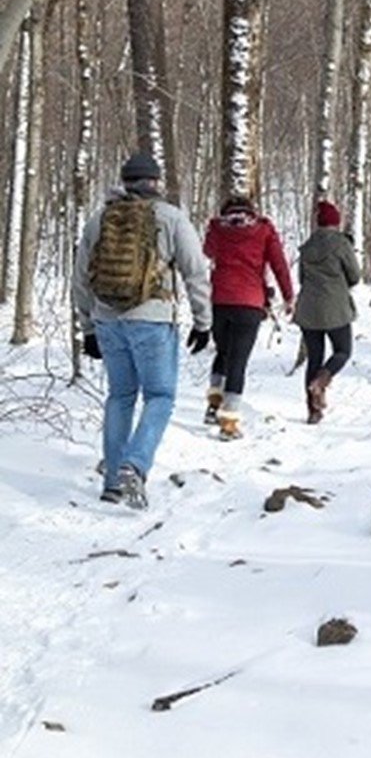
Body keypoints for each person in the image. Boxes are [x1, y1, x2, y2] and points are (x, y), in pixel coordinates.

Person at [73, 151, 212, 509]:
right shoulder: (170, 217)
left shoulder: (100, 218)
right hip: (151, 317)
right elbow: (194, 270)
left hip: (107, 320)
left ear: (125, 181)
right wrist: (203, 321)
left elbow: (80, 279)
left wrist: (88, 327)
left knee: (120, 397)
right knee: (160, 397)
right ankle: (134, 467)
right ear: (155, 182)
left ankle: (112, 482)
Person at [203, 195, 294, 440]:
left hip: (220, 301)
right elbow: (279, 264)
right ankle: (229, 423)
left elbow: (207, 251)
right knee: (238, 361)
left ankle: (213, 405)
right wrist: (288, 296)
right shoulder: (263, 230)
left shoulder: (218, 229)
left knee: (223, 352)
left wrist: (216, 227)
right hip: (250, 302)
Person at [293, 199, 360, 424]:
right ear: (335, 223)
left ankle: (312, 412)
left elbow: (301, 278)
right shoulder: (341, 245)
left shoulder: (307, 247)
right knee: (343, 351)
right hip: (335, 308)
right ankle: (322, 381)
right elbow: (355, 275)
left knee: (314, 357)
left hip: (308, 309)